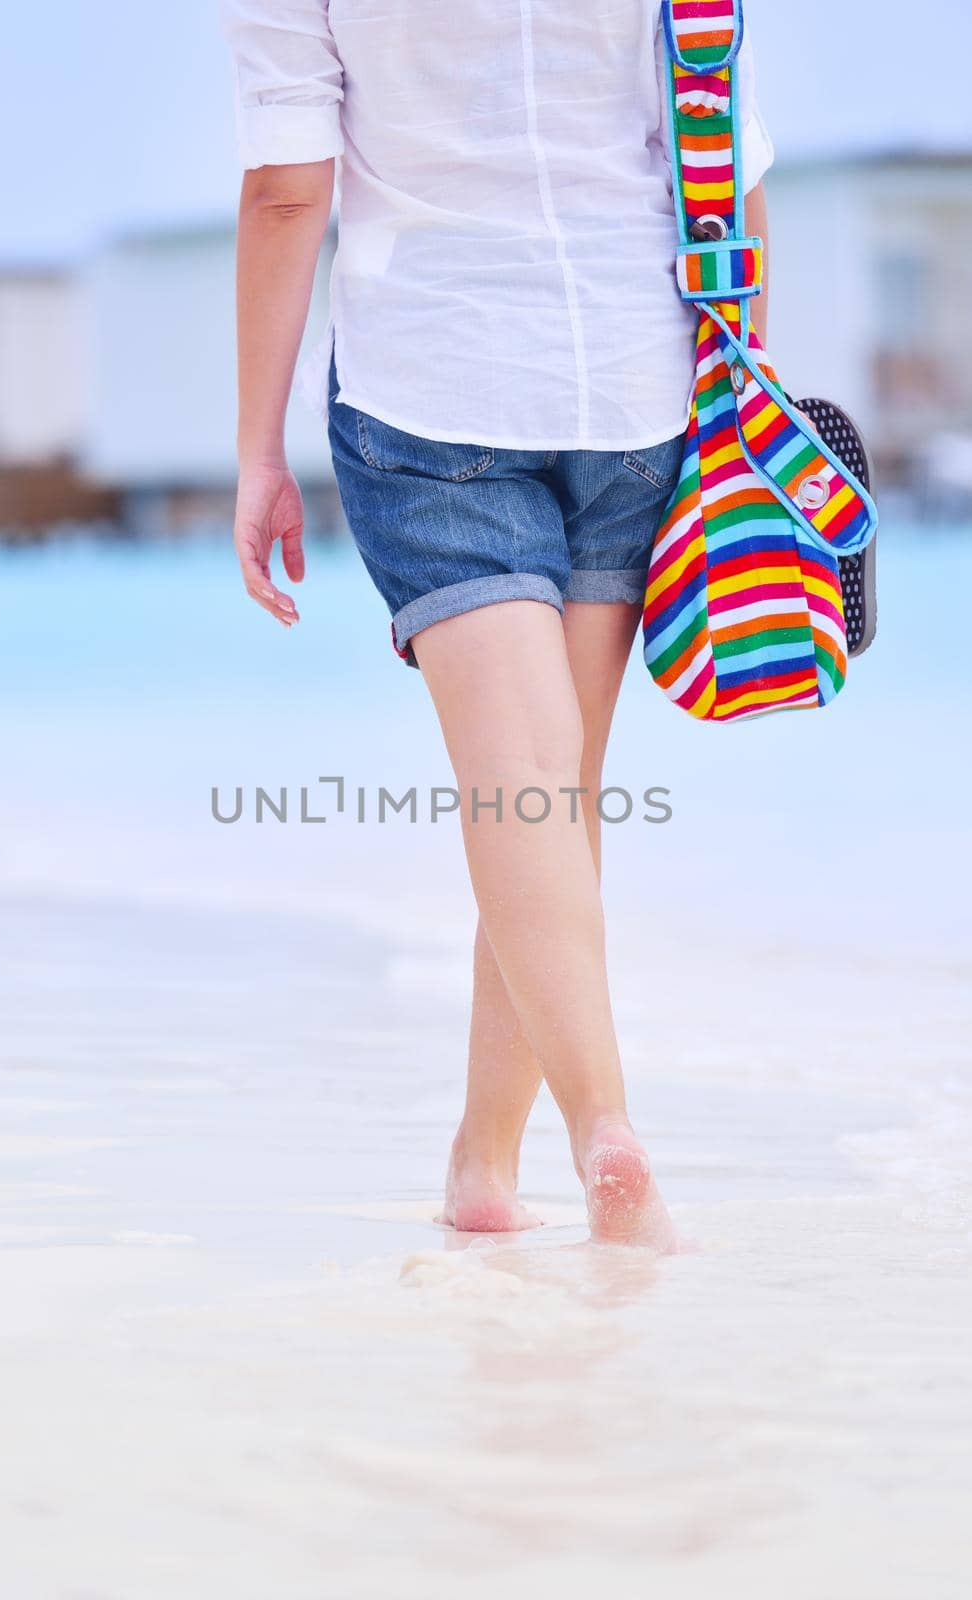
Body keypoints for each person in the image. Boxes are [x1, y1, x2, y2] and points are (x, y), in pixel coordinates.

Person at [221, 1, 773, 1246]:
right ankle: (485, 1162)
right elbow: (725, 154)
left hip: (432, 384)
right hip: (634, 385)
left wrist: (257, 446)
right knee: (554, 796)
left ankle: (601, 1125)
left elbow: (286, 192)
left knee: (517, 784)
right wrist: (740, 406)